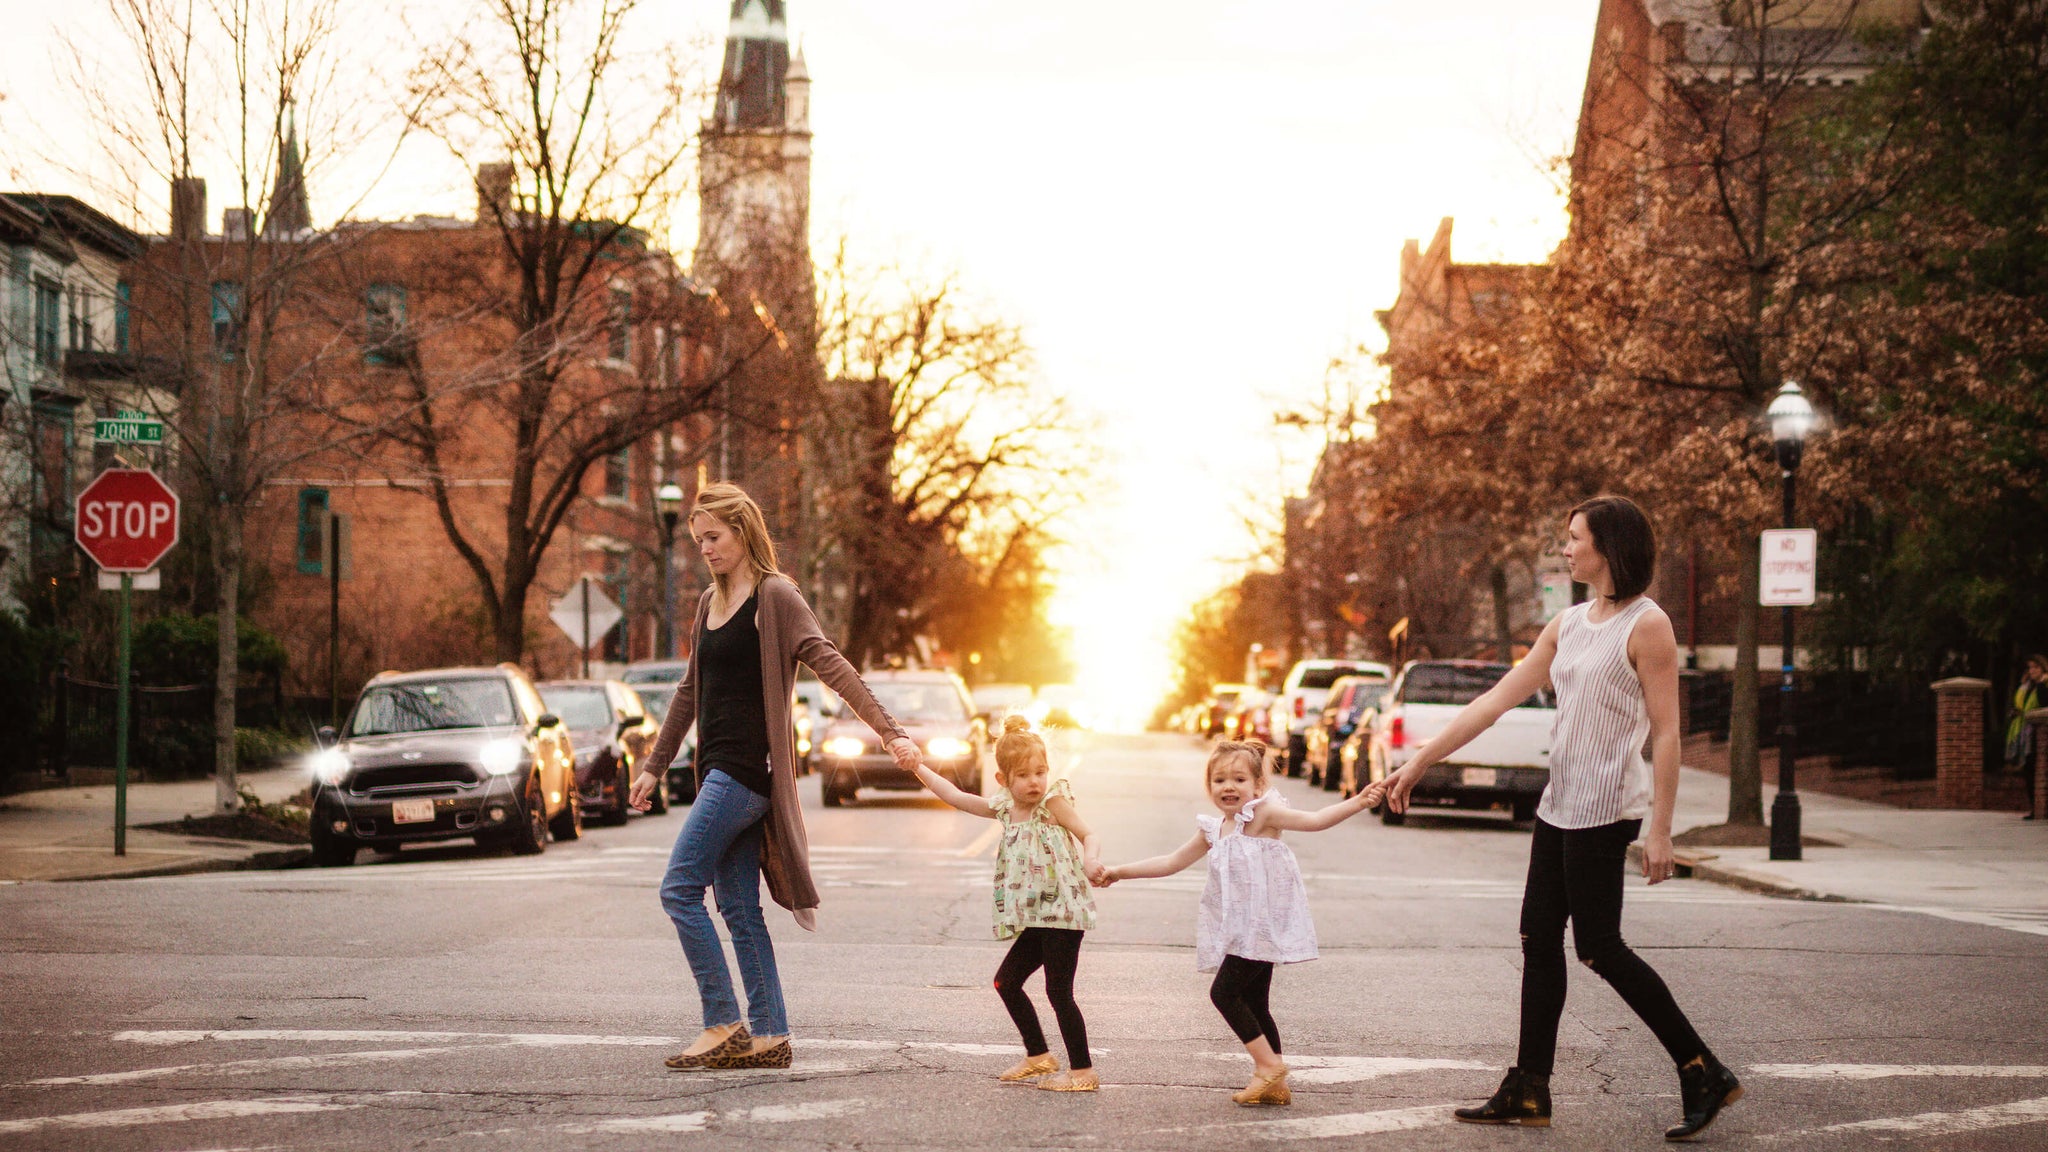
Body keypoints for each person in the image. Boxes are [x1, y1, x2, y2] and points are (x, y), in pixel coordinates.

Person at [1381, 495, 1740, 1141]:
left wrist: (1660, 829)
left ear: (1610, 547)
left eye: (1574, 538)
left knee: (1600, 949)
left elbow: (1666, 733)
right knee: (1537, 941)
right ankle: (1529, 1088)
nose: (1566, 549)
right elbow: (1494, 702)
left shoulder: (1648, 624)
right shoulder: (1569, 623)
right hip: (1559, 805)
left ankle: (1701, 1068)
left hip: (1607, 809)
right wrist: (1419, 762)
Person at [628, 483, 920, 1072]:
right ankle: (770, 1035)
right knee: (738, 909)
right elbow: (690, 692)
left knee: (679, 889)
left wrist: (889, 732)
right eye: (697, 540)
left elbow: (831, 663)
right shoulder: (708, 605)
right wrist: (655, 764)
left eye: (714, 537)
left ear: (743, 531)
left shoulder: (776, 595)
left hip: (746, 774)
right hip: (718, 769)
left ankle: (723, 1023)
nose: (705, 549)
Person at [1094, 739, 1383, 1106]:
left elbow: (1314, 821)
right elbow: (1171, 861)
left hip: (1261, 928)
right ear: (1209, 787)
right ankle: (1275, 1084)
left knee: (1223, 994)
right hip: (1239, 932)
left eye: (1239, 779)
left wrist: (1359, 801)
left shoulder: (1264, 815)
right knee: (1256, 1004)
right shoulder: (1213, 830)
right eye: (1219, 780)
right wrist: (1119, 871)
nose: (1228, 787)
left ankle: (1268, 1068)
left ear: (1257, 785)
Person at [912, 715, 1104, 1091]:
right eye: (1023, 775)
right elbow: (956, 797)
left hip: (1063, 913)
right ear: (1003, 780)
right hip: (1038, 918)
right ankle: (1038, 1056)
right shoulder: (1004, 808)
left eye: (1040, 771)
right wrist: (917, 766)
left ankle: (1082, 1072)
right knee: (1007, 981)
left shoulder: (1052, 803)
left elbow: (1088, 833)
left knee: (1058, 992)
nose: (1034, 781)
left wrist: (1090, 859)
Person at [2004, 654, 2046, 774]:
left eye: (2036, 667)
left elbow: (2043, 702)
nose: (2032, 671)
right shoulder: (2028, 687)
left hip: (2037, 731)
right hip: (2023, 730)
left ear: (2043, 668)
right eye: (2030, 667)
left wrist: (2041, 683)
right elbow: (2020, 705)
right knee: (2028, 771)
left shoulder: (2043, 685)